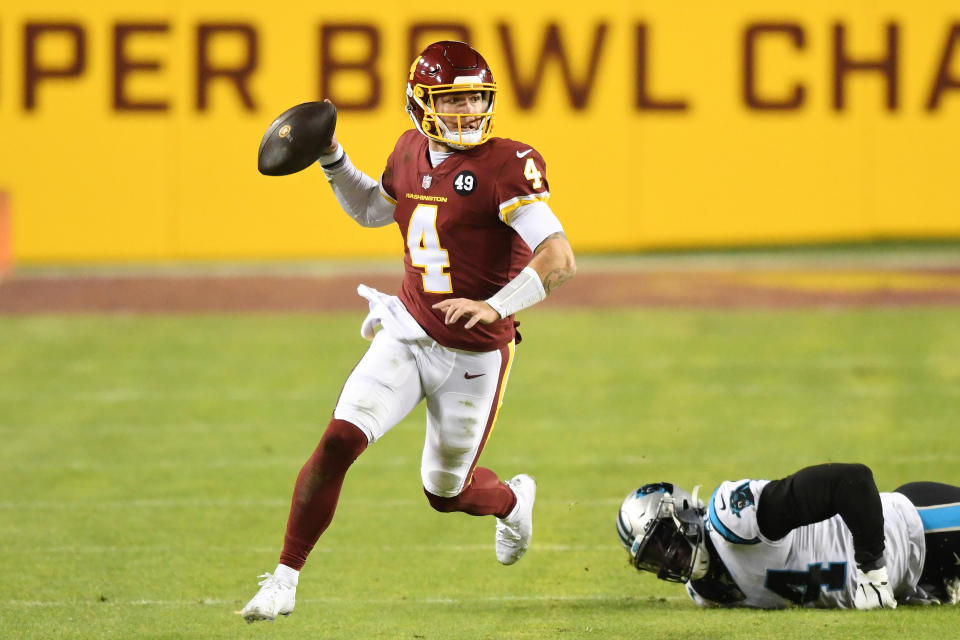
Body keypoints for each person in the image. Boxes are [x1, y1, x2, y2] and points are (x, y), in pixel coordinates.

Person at [240, 41, 576, 622]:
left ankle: (513, 501)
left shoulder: (507, 163)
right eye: (455, 99)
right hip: (408, 328)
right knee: (340, 439)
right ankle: (285, 579)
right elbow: (376, 209)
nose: (470, 110)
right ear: (421, 104)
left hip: (474, 355)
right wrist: (332, 158)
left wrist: (495, 306)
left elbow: (559, 257)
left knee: (446, 493)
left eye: (476, 97)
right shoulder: (409, 150)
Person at [616, 462, 960, 609]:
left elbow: (852, 481)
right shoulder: (708, 592)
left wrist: (871, 569)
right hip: (917, 585)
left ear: (684, 510)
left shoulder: (732, 520)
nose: (669, 557)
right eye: (653, 557)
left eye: (665, 539)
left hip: (917, 529)